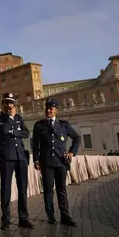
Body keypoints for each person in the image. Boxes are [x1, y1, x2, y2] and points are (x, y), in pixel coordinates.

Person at [32, 97, 79, 226]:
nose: (48, 110)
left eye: (51, 108)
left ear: (56, 110)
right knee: (48, 190)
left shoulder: (64, 124)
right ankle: (50, 216)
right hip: (46, 162)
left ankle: (65, 215)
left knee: (61, 189)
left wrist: (71, 152)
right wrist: (36, 159)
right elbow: (35, 145)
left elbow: (77, 138)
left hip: (61, 162)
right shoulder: (39, 125)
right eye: (47, 108)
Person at [0, 92, 34, 231]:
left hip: (21, 156)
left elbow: (26, 134)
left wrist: (12, 131)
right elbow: (2, 131)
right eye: (6, 103)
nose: (9, 105)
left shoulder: (19, 118)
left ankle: (23, 218)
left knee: (22, 188)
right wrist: (11, 119)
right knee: (6, 188)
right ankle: (6, 219)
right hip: (7, 157)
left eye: (11, 103)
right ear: (2, 104)